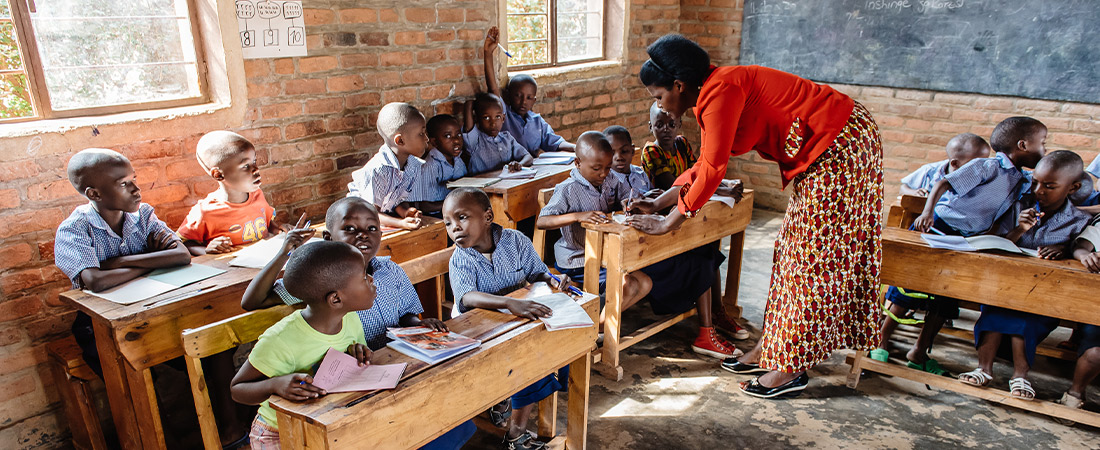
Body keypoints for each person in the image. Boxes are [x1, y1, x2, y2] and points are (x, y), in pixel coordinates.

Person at [628, 34, 883, 398]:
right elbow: (704, 163)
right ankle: (776, 347)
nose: (661, 107)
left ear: (679, 85)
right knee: (790, 251)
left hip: (842, 144)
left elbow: (715, 167)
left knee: (813, 258)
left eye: (658, 97)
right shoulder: (712, 91)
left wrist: (670, 223)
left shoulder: (720, 91)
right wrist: (658, 204)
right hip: (829, 148)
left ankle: (791, 367)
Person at [443, 187, 572, 450]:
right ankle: (502, 405)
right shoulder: (460, 258)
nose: (455, 228)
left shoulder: (516, 241)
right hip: (474, 328)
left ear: (488, 216)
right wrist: (509, 302)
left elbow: (538, 273)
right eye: (448, 223)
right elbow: (466, 298)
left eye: (462, 217)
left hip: (514, 320)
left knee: (538, 356)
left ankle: (515, 432)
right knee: (521, 360)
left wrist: (554, 279)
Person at [959, 151, 1092, 400]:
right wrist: (1019, 229)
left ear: (1073, 187)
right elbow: (994, 245)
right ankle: (984, 369)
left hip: (1045, 297)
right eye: (1036, 182)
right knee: (998, 308)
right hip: (1002, 288)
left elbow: (1078, 250)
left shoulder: (1079, 221)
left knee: (1023, 314)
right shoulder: (1017, 205)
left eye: (1049, 186)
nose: (1039, 190)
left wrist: (1063, 249)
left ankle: (1020, 374)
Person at [54, 148, 192, 376]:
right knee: (132, 375)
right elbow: (96, 281)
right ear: (95, 194)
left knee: (205, 351)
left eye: (133, 179)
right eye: (123, 184)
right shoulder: (75, 229)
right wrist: (155, 262)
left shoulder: (143, 215)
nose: (136, 189)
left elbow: (181, 255)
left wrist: (120, 262)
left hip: (150, 309)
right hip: (98, 325)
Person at [241, 198, 445, 349]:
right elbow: (252, 301)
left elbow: (405, 315)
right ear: (329, 238)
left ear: (381, 235)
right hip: (347, 366)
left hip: (393, 355)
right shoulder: (321, 277)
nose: (363, 234)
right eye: (350, 228)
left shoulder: (391, 270)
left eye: (372, 228)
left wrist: (418, 324)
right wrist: (283, 254)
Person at [230, 241, 376, 448]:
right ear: (335, 299)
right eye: (364, 277)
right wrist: (275, 384)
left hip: (322, 422)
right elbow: (237, 389)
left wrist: (357, 353)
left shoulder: (350, 318)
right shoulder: (281, 339)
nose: (371, 279)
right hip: (278, 432)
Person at [913, 117, 1047, 236]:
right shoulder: (988, 166)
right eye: (1042, 143)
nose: (1045, 150)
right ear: (1022, 145)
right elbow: (943, 184)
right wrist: (927, 213)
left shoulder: (1021, 178)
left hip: (967, 235)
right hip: (939, 223)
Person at [177, 131, 288, 255]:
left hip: (263, 263)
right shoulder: (205, 211)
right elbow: (183, 243)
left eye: (254, 161)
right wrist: (207, 250)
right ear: (218, 174)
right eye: (246, 166)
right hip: (231, 270)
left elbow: (267, 224)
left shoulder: (257, 195)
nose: (256, 169)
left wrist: (279, 230)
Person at [482, 26, 575, 157]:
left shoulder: (537, 122)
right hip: (510, 170)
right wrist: (488, 53)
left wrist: (579, 148)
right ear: (508, 96)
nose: (523, 102)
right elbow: (493, 88)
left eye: (529, 97)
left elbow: (556, 143)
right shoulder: (503, 115)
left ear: (534, 101)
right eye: (518, 96)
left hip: (533, 171)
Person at [348, 102, 428, 231]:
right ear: (400, 141)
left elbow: (395, 199)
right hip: (356, 223)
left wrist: (405, 212)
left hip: (380, 220)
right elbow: (370, 214)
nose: (427, 139)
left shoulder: (413, 165)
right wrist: (401, 223)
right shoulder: (378, 170)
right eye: (421, 134)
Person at [899, 133, 991, 197]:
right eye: (975, 163)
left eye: (984, 161)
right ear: (955, 163)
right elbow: (903, 188)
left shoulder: (984, 176)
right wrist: (913, 192)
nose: (981, 166)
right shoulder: (930, 171)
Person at [412, 114, 468, 216]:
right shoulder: (430, 166)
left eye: (458, 134)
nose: (456, 140)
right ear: (434, 142)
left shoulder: (458, 160)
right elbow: (425, 206)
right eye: (448, 136)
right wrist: (456, 203)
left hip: (456, 210)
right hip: (437, 215)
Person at [463, 92, 534, 174]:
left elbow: (528, 157)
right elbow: (468, 123)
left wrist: (519, 164)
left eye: (497, 117)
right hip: (483, 185)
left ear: (503, 118)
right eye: (486, 118)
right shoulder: (475, 140)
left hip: (507, 183)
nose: (493, 123)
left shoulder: (507, 138)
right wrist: (470, 105)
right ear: (477, 119)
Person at [640, 101, 697, 190]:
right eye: (659, 125)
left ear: (679, 124)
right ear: (651, 127)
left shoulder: (682, 143)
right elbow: (670, 185)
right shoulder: (651, 150)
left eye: (672, 125)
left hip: (687, 193)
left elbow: (696, 172)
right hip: (664, 200)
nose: (666, 129)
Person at [603, 125, 660, 197]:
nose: (619, 157)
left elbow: (652, 194)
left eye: (624, 151)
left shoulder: (640, 173)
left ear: (632, 151)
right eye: (612, 153)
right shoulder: (606, 180)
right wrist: (645, 197)